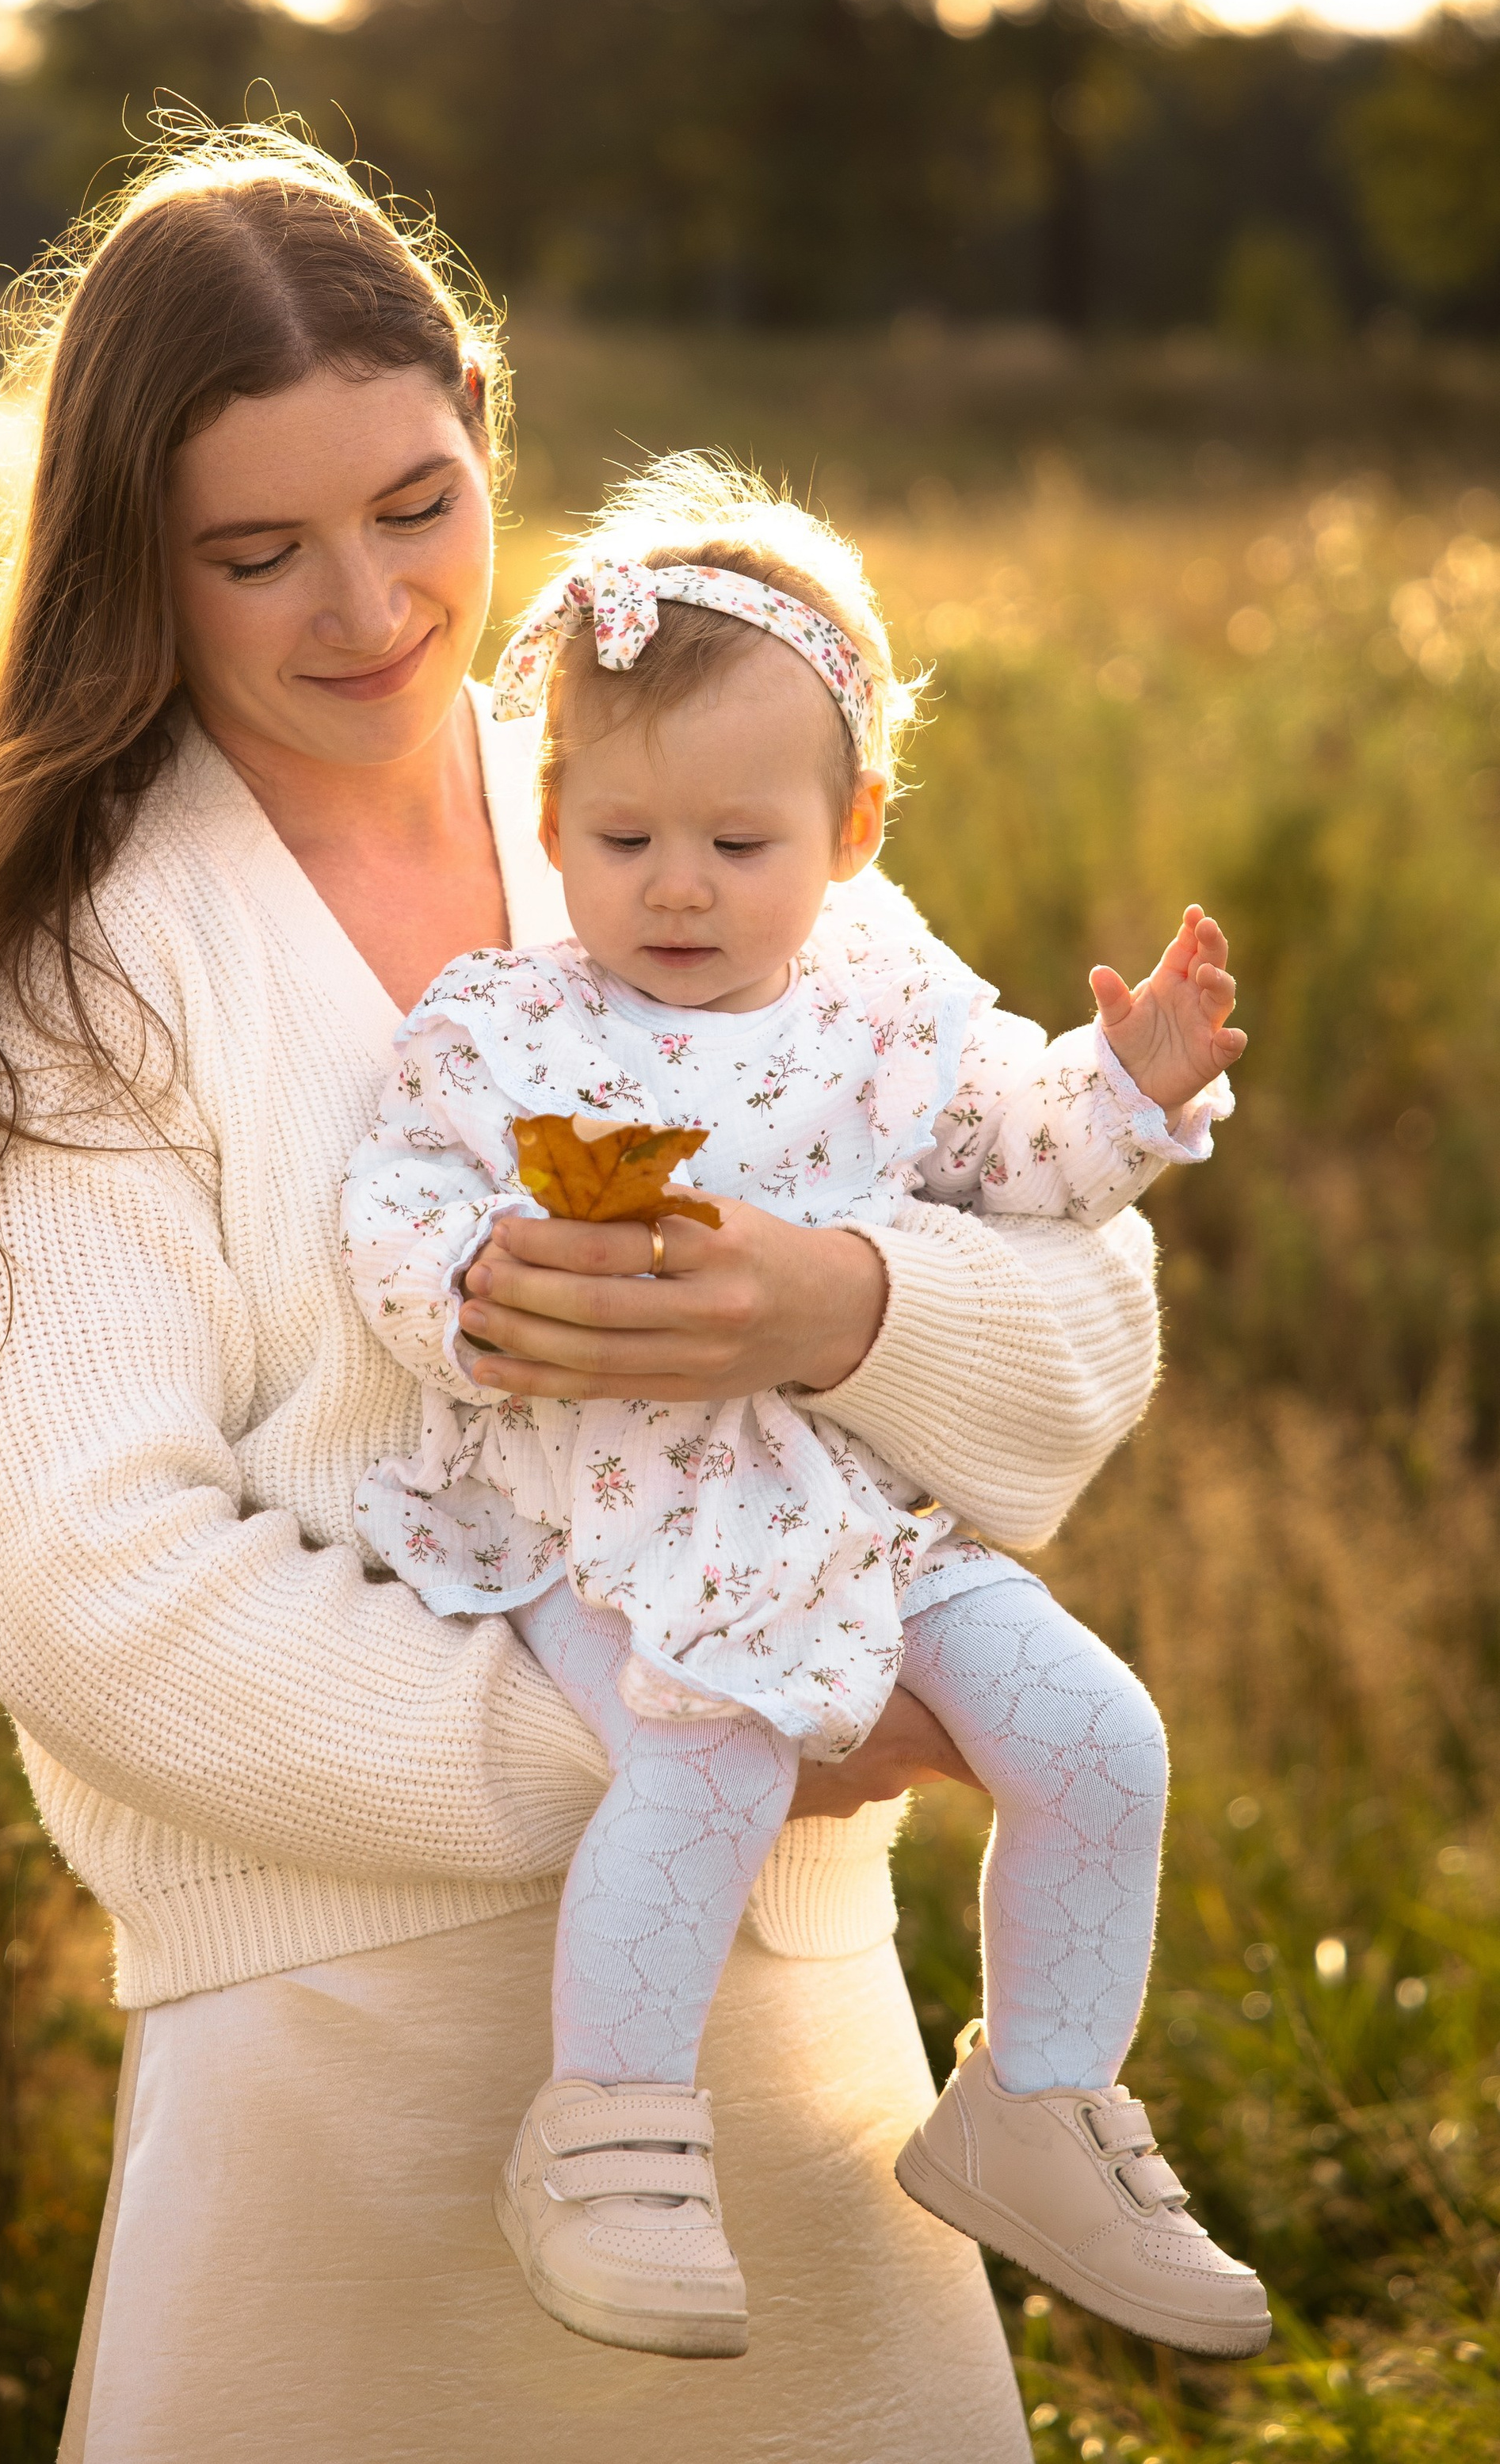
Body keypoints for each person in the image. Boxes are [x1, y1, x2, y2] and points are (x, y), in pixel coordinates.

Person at [0, 121, 1177, 2464]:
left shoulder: (662, 793)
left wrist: (844, 1304)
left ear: (488, 423)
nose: (369, 607)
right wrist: (702, 1722)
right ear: (130, 567)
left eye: (417, 505)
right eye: (257, 553)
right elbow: (89, 1579)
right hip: (340, 2071)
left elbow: (1088, 1314)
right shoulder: (81, 975)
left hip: (797, 2052)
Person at [344, 460, 1270, 2365]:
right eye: (622, 837)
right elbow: (394, 1204)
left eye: (736, 843)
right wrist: (468, 1290)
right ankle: (603, 2130)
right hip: (621, 1512)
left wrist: (1124, 1081)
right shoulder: (504, 1024)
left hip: (864, 1512)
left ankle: (1039, 2100)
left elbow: (1020, 1165)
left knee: (1099, 1739)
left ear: (848, 832)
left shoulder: (888, 1011)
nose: (673, 886)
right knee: (708, 1762)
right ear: (553, 819)